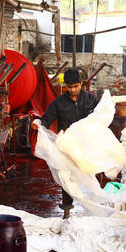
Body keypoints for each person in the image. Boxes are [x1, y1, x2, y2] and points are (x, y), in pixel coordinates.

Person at [31, 68, 99, 218]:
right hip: (68, 145)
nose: (73, 90)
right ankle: (67, 211)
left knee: (93, 172)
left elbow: (100, 118)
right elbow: (47, 119)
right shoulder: (58, 103)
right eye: (69, 87)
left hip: (88, 142)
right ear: (65, 86)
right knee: (66, 175)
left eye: (76, 86)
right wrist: (39, 124)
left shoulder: (91, 99)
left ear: (81, 83)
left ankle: (96, 208)